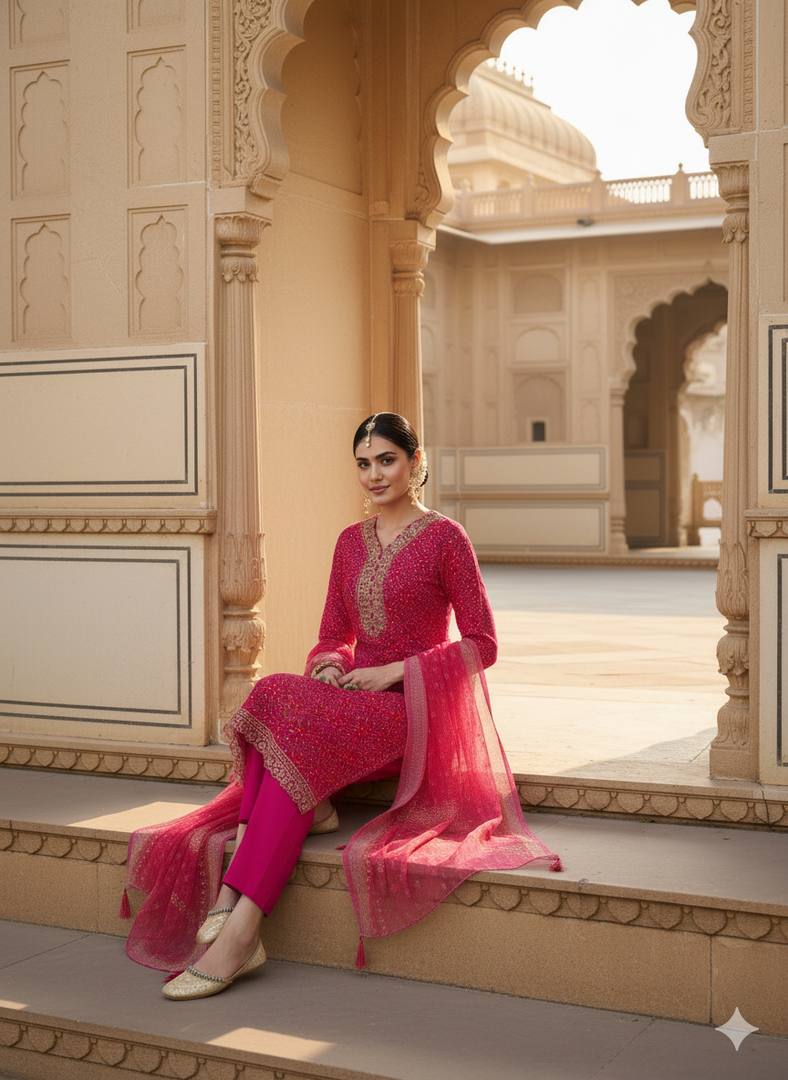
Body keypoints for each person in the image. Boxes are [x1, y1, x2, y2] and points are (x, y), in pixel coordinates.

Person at [122, 412, 562, 1001]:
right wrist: (330, 663)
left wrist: (393, 672)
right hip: (354, 699)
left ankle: (238, 916)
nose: (374, 475)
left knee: (283, 719)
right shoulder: (349, 543)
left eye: (386, 460)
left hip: (411, 711)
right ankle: (250, 910)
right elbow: (332, 633)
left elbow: (482, 644)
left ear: (414, 462)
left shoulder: (445, 538)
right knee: (276, 690)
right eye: (363, 463)